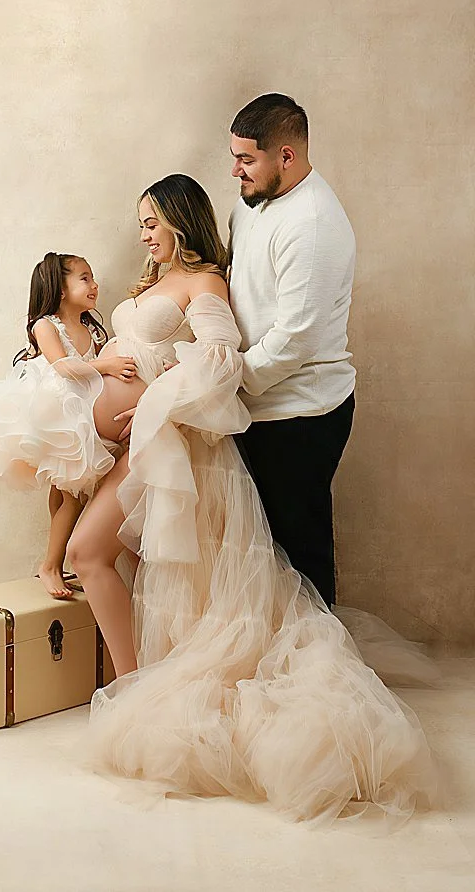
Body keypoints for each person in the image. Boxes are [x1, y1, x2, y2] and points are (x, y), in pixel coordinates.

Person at [60, 174, 431, 824]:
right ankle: (135, 680)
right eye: (140, 223)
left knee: (93, 555)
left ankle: (129, 689)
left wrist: (156, 401)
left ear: (180, 220)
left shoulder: (205, 283)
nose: (143, 234)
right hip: (137, 450)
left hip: (174, 450)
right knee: (129, 565)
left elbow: (221, 363)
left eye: (152, 222)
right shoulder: (157, 282)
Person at [225, 94, 355, 605]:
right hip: (258, 405)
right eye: (234, 157)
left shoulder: (313, 223)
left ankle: (318, 651)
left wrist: (225, 379)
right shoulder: (250, 203)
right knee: (262, 555)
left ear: (286, 155)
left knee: (300, 555)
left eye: (246, 159)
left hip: (302, 412)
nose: (236, 170)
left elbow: (295, 338)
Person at [0, 252, 133, 597]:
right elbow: (63, 367)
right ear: (60, 289)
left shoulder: (92, 329)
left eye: (93, 277)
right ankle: (49, 566)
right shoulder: (45, 325)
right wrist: (107, 366)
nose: (94, 285)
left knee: (65, 491)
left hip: (82, 416)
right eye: (84, 278)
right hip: (56, 415)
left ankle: (57, 562)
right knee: (73, 497)